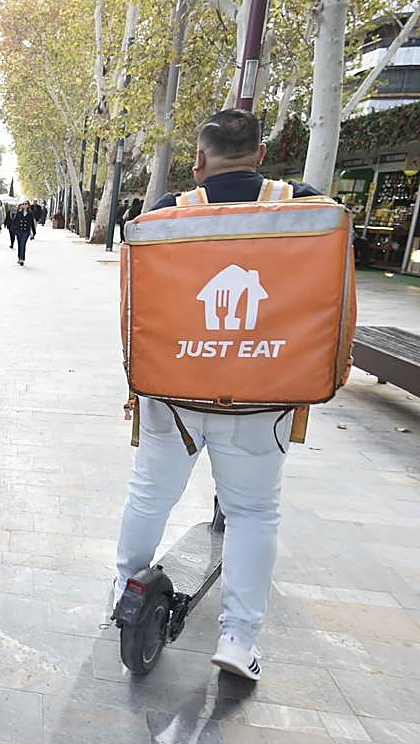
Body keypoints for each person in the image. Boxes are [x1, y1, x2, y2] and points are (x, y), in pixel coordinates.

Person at [112, 108, 322, 682]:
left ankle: (124, 587)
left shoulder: (168, 215)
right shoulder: (303, 208)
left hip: (174, 394)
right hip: (262, 396)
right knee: (253, 512)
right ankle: (237, 637)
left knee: (149, 495)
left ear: (200, 160)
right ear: (260, 155)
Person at [7, 200, 38, 265]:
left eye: (26, 204)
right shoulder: (19, 213)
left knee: (23, 244)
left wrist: (33, 233)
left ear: (28, 205)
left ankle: (22, 259)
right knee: (19, 244)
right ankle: (19, 257)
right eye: (23, 204)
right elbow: (15, 221)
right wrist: (14, 229)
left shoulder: (30, 214)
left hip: (26, 231)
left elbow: (32, 224)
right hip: (19, 231)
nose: (25, 205)